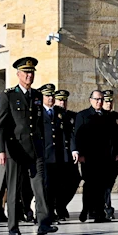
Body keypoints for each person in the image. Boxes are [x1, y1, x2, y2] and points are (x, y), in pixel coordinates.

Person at [0, 57, 57, 235]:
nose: (29, 76)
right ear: (18, 74)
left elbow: (39, 124)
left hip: (35, 149)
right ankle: (13, 225)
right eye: (26, 73)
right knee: (14, 188)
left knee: (40, 186)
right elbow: (1, 125)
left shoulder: (37, 96)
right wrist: (1, 150)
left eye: (32, 73)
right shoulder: (8, 95)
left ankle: (44, 222)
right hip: (16, 149)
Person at [73, 90, 118, 222]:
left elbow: (116, 137)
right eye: (96, 99)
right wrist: (79, 153)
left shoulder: (108, 116)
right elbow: (77, 136)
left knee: (102, 186)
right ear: (90, 100)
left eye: (101, 99)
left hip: (105, 157)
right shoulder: (83, 115)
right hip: (89, 157)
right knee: (90, 184)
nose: (99, 102)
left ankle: (99, 213)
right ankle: (86, 209)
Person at [39, 83, 71, 222]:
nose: (50, 98)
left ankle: (54, 211)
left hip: (58, 155)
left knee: (57, 185)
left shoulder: (60, 112)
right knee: (46, 186)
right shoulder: (38, 112)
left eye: (52, 95)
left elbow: (68, 133)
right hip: (44, 155)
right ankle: (45, 213)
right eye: (47, 95)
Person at [54, 89, 80, 219]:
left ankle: (61, 205)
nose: (62, 102)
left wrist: (75, 150)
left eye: (64, 100)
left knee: (74, 180)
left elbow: (73, 135)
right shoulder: (50, 115)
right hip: (56, 155)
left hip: (68, 155)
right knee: (56, 183)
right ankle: (56, 208)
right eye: (60, 100)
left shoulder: (72, 116)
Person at [100, 89, 118, 219]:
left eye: (110, 101)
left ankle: (106, 208)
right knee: (104, 185)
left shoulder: (117, 117)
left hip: (114, 157)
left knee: (109, 184)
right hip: (101, 157)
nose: (108, 104)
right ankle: (107, 208)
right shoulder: (98, 116)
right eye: (106, 101)